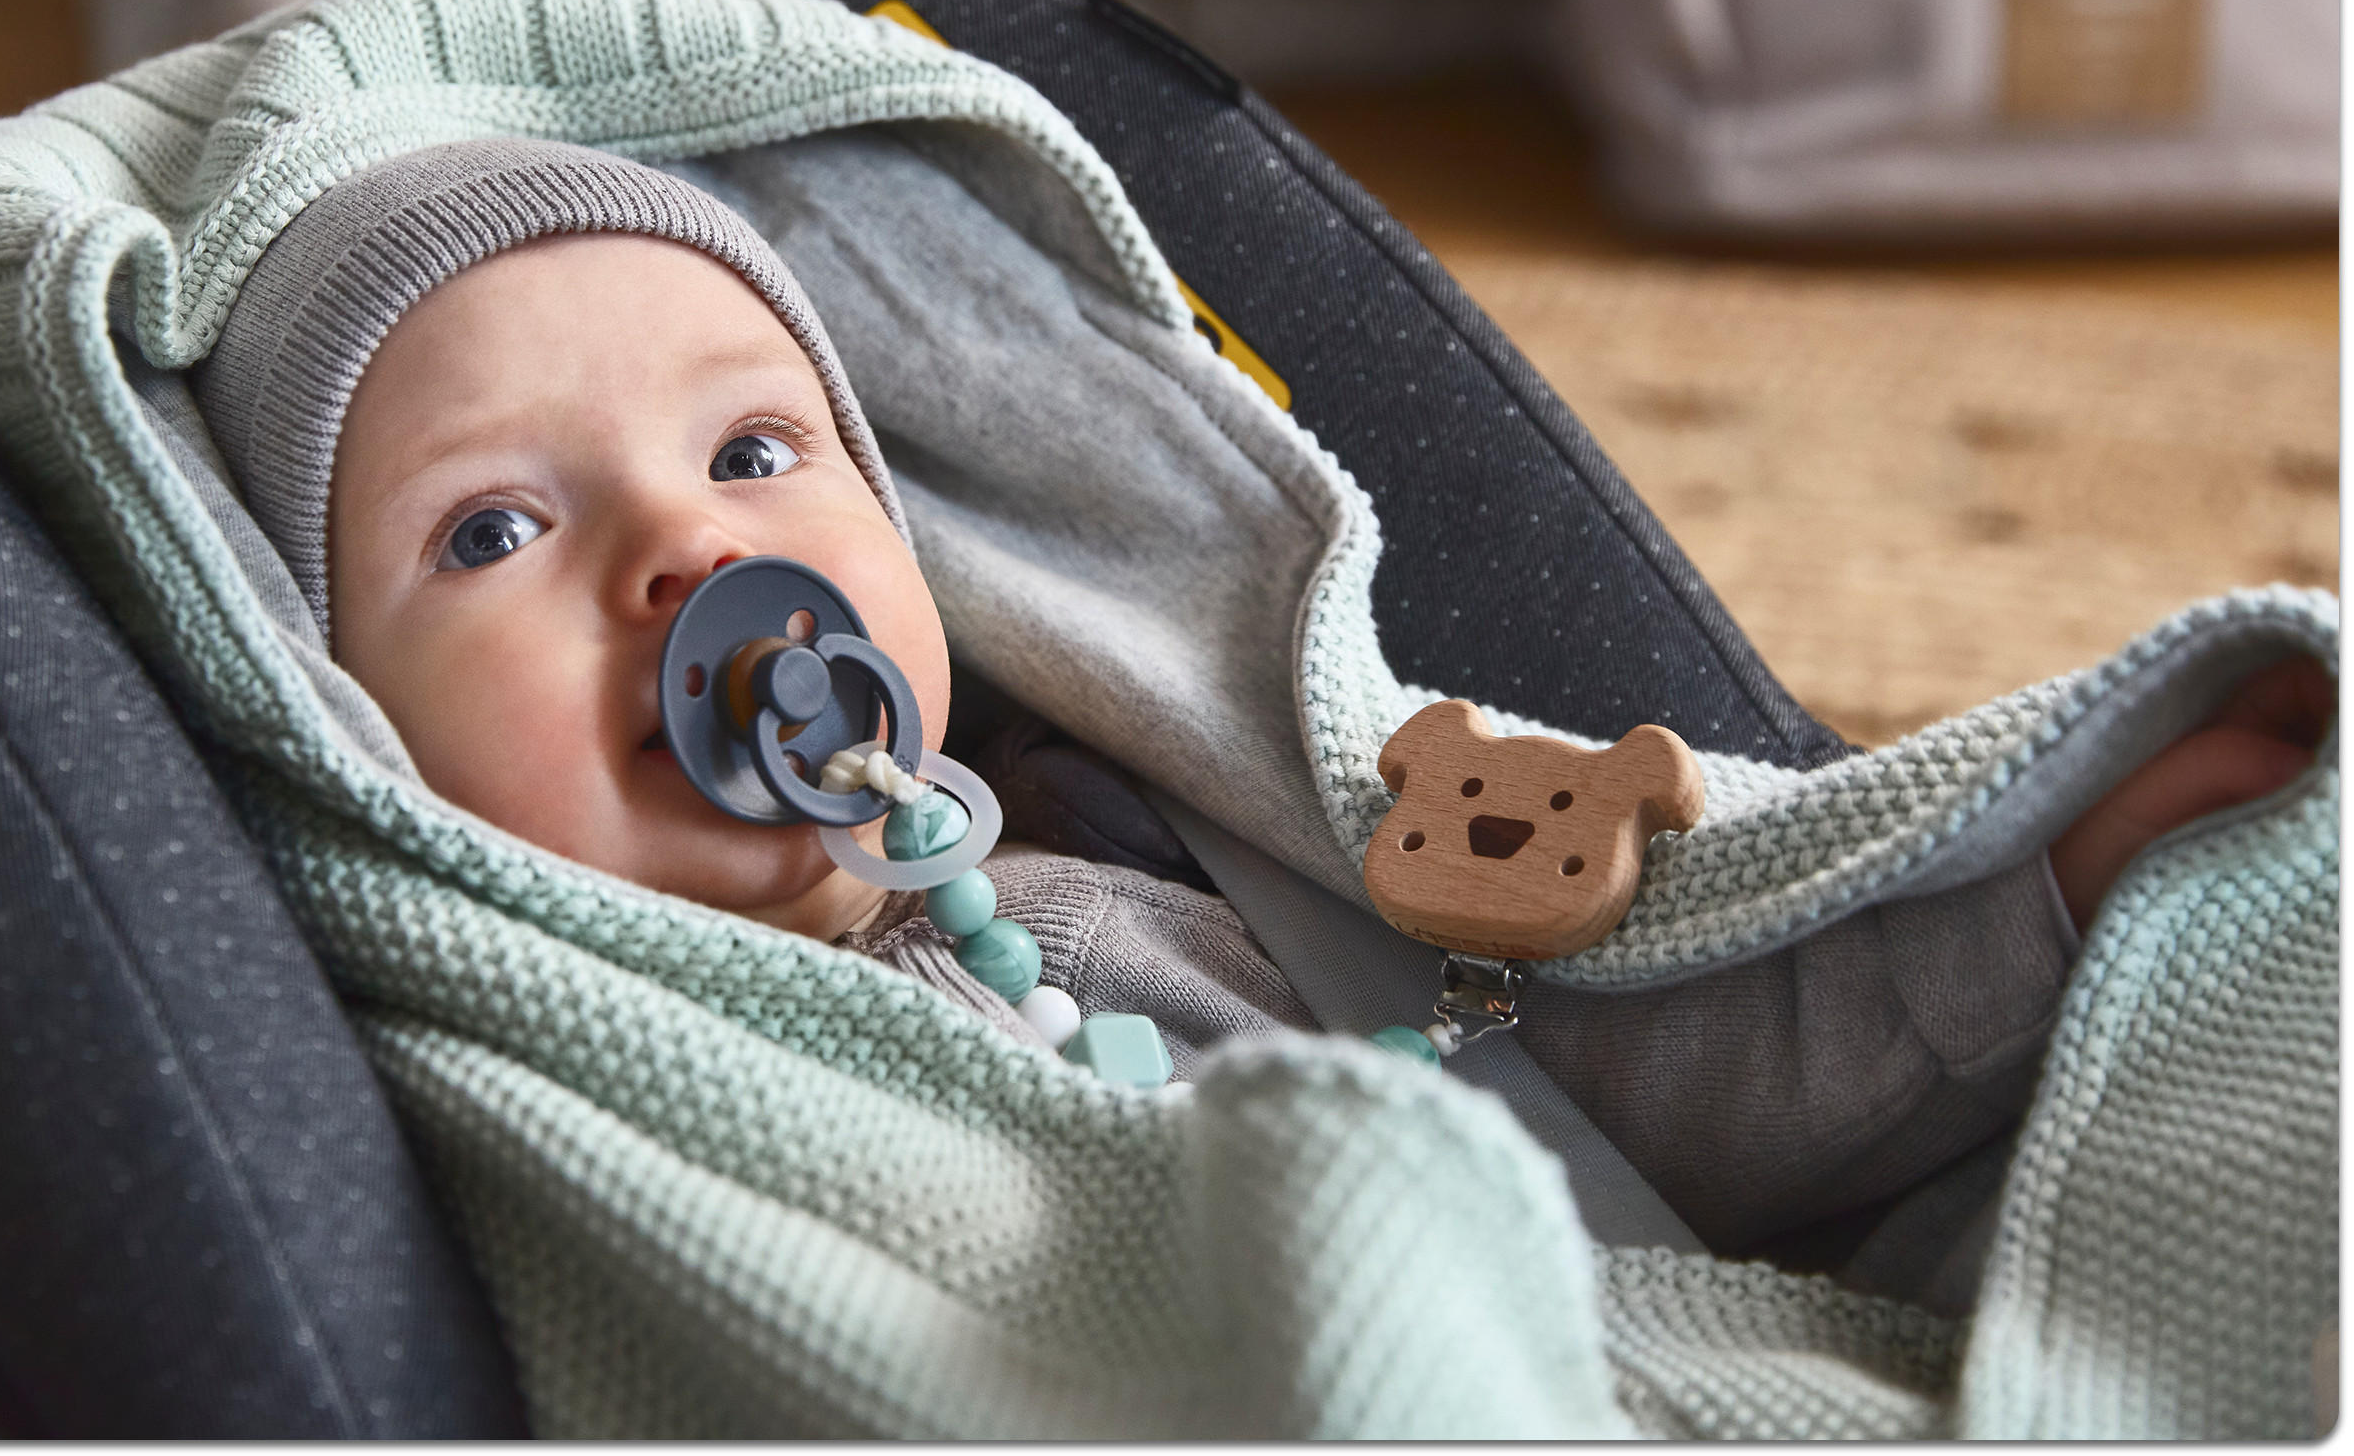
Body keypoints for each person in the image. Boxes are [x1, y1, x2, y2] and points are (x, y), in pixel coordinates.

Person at [195, 136, 2330, 1266]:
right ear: (326, 703)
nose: (682, 558)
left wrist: (2040, 884)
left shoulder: (1138, 896)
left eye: (755, 453)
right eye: (489, 532)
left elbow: (1603, 1076)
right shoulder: (538, 1091)